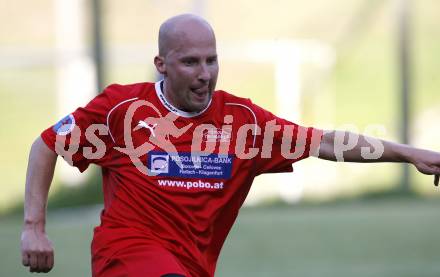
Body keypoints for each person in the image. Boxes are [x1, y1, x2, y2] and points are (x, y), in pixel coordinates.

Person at [21, 14, 440, 277]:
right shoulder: (122, 110)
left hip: (194, 265)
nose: (205, 74)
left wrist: (408, 153)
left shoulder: (241, 123)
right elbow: (46, 145)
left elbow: (326, 142)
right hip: (126, 256)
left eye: (211, 60)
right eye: (190, 62)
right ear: (161, 65)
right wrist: (34, 229)